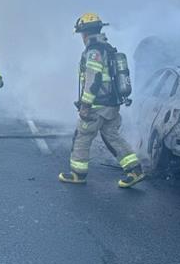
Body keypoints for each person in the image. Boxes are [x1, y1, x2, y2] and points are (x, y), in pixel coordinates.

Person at [59, 13, 145, 188]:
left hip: (97, 106)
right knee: (112, 136)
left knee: (82, 136)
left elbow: (94, 79)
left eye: (81, 34)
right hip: (111, 104)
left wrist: (85, 105)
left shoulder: (93, 52)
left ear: (85, 33)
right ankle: (135, 170)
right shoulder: (107, 48)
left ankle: (78, 174)